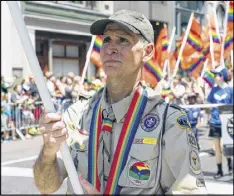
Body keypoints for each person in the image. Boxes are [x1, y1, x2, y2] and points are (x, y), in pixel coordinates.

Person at [33, 10, 207, 194]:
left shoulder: (169, 122)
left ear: (147, 52)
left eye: (123, 40)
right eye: (107, 39)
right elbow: (46, 186)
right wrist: (48, 152)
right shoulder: (77, 114)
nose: (110, 48)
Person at [207, 66, 233, 178]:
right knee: (217, 147)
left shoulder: (230, 90)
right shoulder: (213, 90)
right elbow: (209, 105)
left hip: (227, 122)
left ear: (222, 76)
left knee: (225, 146)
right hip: (214, 121)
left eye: (216, 75)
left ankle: (230, 165)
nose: (214, 77)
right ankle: (219, 170)